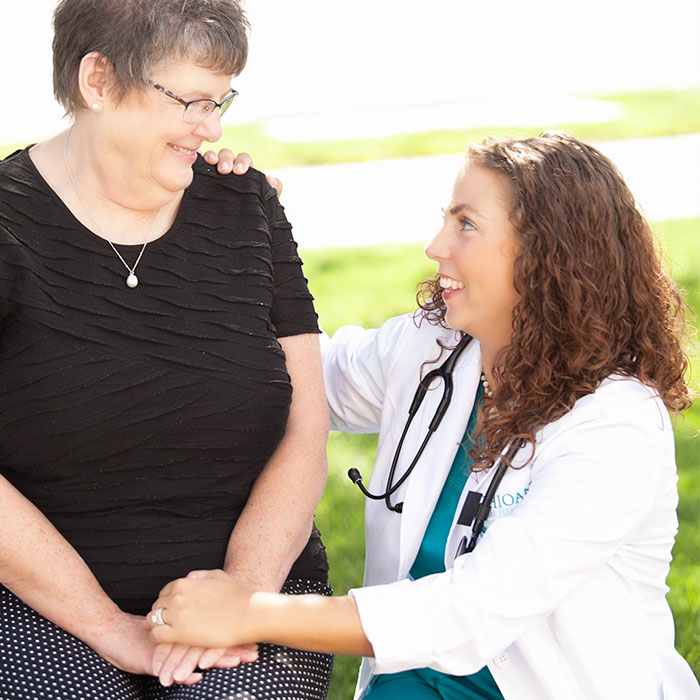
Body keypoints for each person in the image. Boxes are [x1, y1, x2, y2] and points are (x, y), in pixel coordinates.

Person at [148, 133, 700, 700]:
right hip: (414, 682)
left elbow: (470, 611)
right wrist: (225, 243)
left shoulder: (616, 426)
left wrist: (251, 613)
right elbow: (288, 380)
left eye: (465, 225)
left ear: (547, 254)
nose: (436, 246)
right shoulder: (437, 348)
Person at [0, 1, 333, 698]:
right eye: (191, 101)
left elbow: (306, 426)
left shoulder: (248, 206)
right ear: (98, 81)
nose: (211, 129)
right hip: (39, 601)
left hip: (252, 578)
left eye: (221, 102)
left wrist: (242, 602)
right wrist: (109, 627)